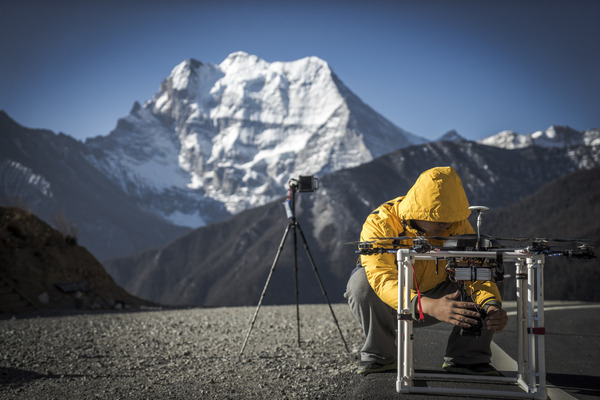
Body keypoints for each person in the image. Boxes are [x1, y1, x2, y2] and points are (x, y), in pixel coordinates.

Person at [344, 166, 508, 376]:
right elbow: (381, 277)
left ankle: (468, 359)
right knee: (362, 284)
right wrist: (427, 305)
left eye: (450, 220)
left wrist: (491, 305)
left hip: (444, 297)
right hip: (393, 304)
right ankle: (380, 357)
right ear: (418, 212)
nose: (446, 227)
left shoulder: (457, 224)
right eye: (439, 221)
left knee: (486, 273)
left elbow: (474, 270)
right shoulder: (380, 223)